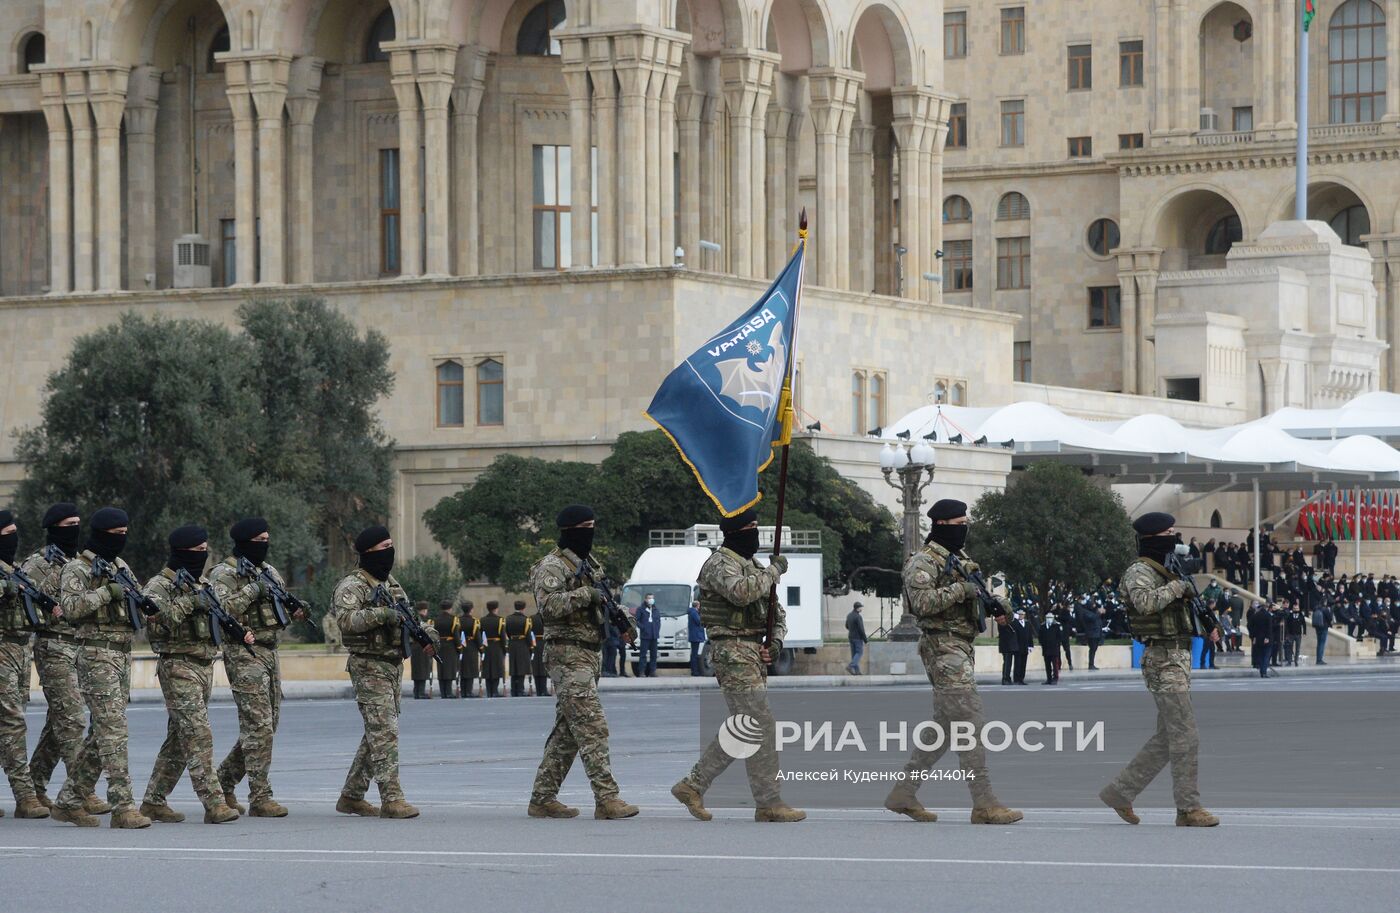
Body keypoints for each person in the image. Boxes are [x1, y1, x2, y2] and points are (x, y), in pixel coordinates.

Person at [883, 499, 1022, 825]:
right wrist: (962, 590)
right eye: (960, 523)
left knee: (946, 727)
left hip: (960, 646)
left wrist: (999, 607)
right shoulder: (923, 562)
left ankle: (903, 792)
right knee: (969, 721)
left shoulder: (961, 560)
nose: (965, 528)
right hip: (941, 647)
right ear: (942, 525)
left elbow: (982, 595)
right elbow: (921, 603)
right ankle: (984, 803)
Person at [670, 509, 804, 823]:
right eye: (750, 529)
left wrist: (775, 643)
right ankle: (768, 802)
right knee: (759, 723)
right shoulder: (720, 564)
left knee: (748, 727)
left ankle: (693, 785)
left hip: (754, 652)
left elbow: (778, 616)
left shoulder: (754, 566)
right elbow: (741, 594)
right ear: (734, 533)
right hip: (730, 649)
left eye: (757, 528)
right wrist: (774, 571)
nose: (755, 535)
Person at [1099, 512, 1219, 828]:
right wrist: (1178, 589)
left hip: (1178, 657)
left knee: (1169, 737)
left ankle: (1120, 791)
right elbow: (1145, 604)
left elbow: (1188, 605)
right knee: (1185, 734)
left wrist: (1207, 621)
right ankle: (1188, 808)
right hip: (1161, 660)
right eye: (1169, 532)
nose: (1174, 536)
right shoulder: (1139, 572)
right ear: (1153, 537)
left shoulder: (1170, 570)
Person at [527, 505, 638, 820]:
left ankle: (542, 798)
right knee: (591, 726)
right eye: (585, 527)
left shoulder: (590, 565)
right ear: (569, 531)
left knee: (568, 731)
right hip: (566, 652)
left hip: (590, 652)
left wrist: (622, 624)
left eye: (593, 526)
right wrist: (585, 595)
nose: (590, 532)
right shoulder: (552, 566)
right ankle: (607, 799)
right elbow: (547, 606)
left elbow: (603, 600)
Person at [138, 525, 249, 825]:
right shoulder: (159, 586)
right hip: (177, 665)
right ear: (182, 552)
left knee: (179, 738)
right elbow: (158, 623)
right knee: (198, 734)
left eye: (205, 551)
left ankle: (153, 800)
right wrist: (190, 602)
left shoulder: (200, 584)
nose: (202, 556)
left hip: (203, 666)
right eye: (197, 551)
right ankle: (214, 803)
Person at [52, 507, 152, 829]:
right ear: (101, 534)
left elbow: (136, 597)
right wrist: (107, 592)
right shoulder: (76, 569)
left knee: (101, 734)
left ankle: (68, 801)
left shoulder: (120, 566)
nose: (121, 539)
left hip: (122, 654)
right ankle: (123, 806)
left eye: (125, 533)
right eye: (116, 534)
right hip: (96, 655)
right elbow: (71, 609)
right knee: (114, 731)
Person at [331, 525, 436, 819]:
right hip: (368, 665)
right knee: (384, 731)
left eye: (391, 545)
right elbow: (347, 620)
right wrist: (383, 614)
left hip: (391, 666)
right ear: (369, 552)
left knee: (376, 733)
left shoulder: (391, 584)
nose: (389, 552)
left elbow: (409, 618)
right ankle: (392, 798)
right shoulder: (352, 586)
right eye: (384, 547)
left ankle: (351, 796)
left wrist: (427, 635)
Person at [210, 517, 303, 817]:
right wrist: (252, 591)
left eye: (267, 539)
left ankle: (224, 780)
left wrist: (295, 607)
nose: (265, 544)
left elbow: (277, 601)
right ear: (245, 542)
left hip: (270, 651)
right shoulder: (224, 573)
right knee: (258, 725)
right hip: (243, 651)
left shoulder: (269, 571)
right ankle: (260, 796)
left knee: (267, 725)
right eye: (259, 540)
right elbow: (219, 609)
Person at [24, 503, 108, 815]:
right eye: (67, 524)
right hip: (53, 645)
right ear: (53, 528)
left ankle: (34, 784)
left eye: (77, 523)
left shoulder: (80, 562)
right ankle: (81, 791)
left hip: (80, 646)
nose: (74, 529)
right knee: (72, 718)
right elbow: (24, 602)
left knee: (58, 722)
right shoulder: (37, 563)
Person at [0, 511, 49, 818]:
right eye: (7, 533)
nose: (13, 539)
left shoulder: (14, 570)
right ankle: (25, 797)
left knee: (9, 723)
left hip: (20, 652)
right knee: (12, 723)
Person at [505, 600, 533, 696]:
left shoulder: (508, 618)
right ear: (523, 608)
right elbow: (528, 635)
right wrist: (531, 646)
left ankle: (514, 690)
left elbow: (507, 633)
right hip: (522, 644)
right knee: (521, 668)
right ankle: (520, 690)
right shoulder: (526, 620)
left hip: (512, 643)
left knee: (513, 667)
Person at [408, 601, 434, 699]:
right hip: (423, 646)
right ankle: (421, 692)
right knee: (423, 669)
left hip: (414, 646)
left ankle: (417, 691)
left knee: (417, 669)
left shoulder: (412, 619)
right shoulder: (425, 621)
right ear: (423, 610)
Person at [480, 601, 506, 697]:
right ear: (496, 608)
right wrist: (504, 649)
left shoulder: (482, 620)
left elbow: (480, 634)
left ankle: (489, 691)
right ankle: (494, 691)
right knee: (496, 669)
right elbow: (503, 636)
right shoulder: (500, 620)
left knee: (487, 669)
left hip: (486, 646)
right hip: (497, 646)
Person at [435, 600, 460, 697]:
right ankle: (448, 692)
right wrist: (459, 647)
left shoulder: (436, 619)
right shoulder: (453, 619)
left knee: (441, 669)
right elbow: (456, 635)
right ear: (450, 608)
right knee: (449, 669)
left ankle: (443, 692)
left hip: (439, 646)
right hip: (450, 646)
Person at [458, 600, 481, 697]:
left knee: (463, 669)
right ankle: (469, 691)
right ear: (471, 610)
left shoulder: (457, 620)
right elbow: (477, 636)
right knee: (470, 670)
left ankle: (463, 691)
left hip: (461, 646)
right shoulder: (474, 621)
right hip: (471, 646)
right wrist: (481, 648)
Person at [636, 593, 661, 677]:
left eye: (652, 598)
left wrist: (657, 630)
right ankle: (642, 671)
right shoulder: (640, 609)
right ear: (645, 599)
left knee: (654, 655)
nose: (651, 600)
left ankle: (652, 671)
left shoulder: (656, 609)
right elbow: (637, 621)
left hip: (654, 636)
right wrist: (643, 628)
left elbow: (658, 621)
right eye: (649, 598)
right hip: (645, 636)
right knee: (643, 655)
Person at [1078, 596, 1105, 670]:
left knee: (1094, 649)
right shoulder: (1086, 612)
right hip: (1092, 634)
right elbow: (1092, 618)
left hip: (1097, 634)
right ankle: (1091, 665)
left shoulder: (1094, 613)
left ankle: (1092, 664)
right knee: (1092, 649)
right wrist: (1099, 613)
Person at [1247, 602, 1273, 677]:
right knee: (1266, 655)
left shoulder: (1255, 615)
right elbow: (1269, 628)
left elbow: (1249, 625)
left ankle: (1262, 671)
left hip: (1257, 638)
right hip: (1266, 638)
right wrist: (1267, 637)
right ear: (1266, 608)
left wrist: (1253, 636)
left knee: (1261, 655)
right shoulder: (1268, 615)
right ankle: (1264, 672)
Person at [1037, 610, 1063, 684]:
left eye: (1050, 617)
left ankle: (1055, 678)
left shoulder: (1057, 625)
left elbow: (1060, 637)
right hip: (1046, 649)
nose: (1049, 619)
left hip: (1054, 649)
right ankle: (1049, 679)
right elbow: (1040, 637)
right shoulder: (1043, 626)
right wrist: (1042, 644)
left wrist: (1056, 645)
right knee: (1047, 665)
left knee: (1055, 665)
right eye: (1048, 617)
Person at [530, 613, 550, 697]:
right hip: (544, 642)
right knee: (543, 666)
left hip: (534, 643)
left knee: (536, 666)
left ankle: (538, 689)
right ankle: (543, 689)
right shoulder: (546, 616)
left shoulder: (531, 618)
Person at [845, 602, 867, 675]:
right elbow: (861, 629)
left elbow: (846, 626)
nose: (861, 609)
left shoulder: (849, 615)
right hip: (857, 638)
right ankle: (850, 666)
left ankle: (857, 671)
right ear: (857, 608)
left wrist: (852, 630)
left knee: (854, 654)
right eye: (861, 607)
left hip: (851, 637)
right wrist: (865, 639)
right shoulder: (858, 617)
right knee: (859, 653)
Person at [687, 599, 707, 676]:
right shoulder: (694, 613)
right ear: (698, 606)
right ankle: (694, 671)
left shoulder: (692, 612)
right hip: (695, 636)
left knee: (694, 653)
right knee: (694, 654)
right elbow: (699, 621)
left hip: (694, 636)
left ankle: (694, 670)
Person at [1312, 600, 1332, 665]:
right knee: (1322, 644)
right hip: (1324, 627)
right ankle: (1319, 660)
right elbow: (1330, 618)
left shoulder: (1315, 609)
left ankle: (1318, 659)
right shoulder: (1325, 609)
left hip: (1317, 627)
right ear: (1325, 602)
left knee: (1319, 643)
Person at [1285, 602, 1305, 666]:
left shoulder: (1301, 615)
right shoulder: (1290, 615)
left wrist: (1304, 632)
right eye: (1294, 608)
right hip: (1291, 634)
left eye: (1297, 608)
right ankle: (1289, 661)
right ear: (1292, 609)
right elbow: (1287, 625)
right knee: (1289, 648)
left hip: (1298, 634)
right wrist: (1287, 634)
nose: (1296, 609)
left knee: (1297, 648)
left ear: (1299, 609)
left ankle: (1296, 661)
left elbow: (1304, 624)